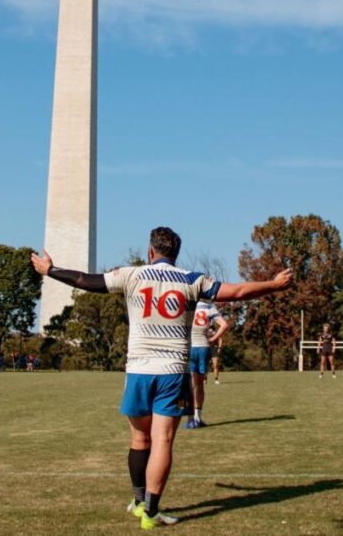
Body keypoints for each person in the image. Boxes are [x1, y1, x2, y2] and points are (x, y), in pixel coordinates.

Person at [31, 226, 293, 529]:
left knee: (139, 438)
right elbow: (238, 292)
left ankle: (139, 501)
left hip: (138, 370)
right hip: (171, 371)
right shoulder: (192, 280)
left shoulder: (132, 275)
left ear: (150, 251)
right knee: (163, 440)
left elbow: (85, 281)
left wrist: (50, 270)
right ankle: (151, 512)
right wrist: (273, 285)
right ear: (175, 253)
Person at [186, 301, 229, 429]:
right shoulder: (209, 307)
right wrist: (213, 338)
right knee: (199, 385)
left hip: (189, 348)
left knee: (188, 385)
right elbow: (224, 325)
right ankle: (197, 418)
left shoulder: (186, 304)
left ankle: (189, 419)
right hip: (203, 348)